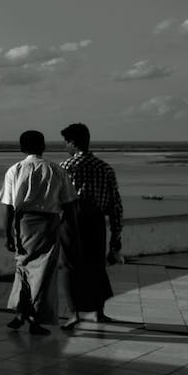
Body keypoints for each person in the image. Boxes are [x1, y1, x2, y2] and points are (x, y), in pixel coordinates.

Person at [0, 130, 76, 335]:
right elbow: (69, 206)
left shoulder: (15, 170)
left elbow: (8, 208)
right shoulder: (57, 170)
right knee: (42, 274)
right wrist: (66, 229)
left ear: (22, 148)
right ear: (43, 147)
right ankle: (34, 318)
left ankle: (22, 313)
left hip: (23, 224)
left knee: (22, 268)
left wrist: (7, 235)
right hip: (49, 224)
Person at [59, 122, 123, 330]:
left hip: (71, 222)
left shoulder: (65, 168)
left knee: (70, 268)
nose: (65, 147)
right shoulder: (105, 168)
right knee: (96, 266)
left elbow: (57, 201)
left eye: (66, 142)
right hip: (96, 222)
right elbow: (115, 205)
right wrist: (116, 235)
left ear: (73, 142)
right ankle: (99, 313)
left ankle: (74, 314)